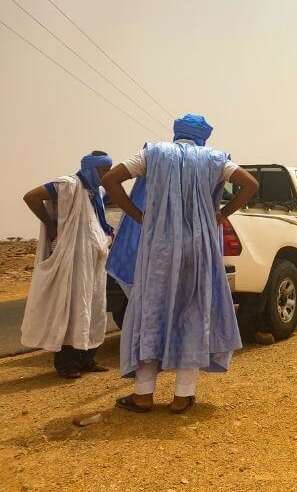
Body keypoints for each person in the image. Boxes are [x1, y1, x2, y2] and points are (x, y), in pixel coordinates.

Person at [102, 114, 257, 414]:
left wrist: (137, 215)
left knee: (151, 311)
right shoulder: (214, 159)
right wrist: (222, 214)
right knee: (193, 311)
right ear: (203, 136)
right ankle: (182, 396)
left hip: (158, 247)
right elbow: (250, 184)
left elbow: (109, 180)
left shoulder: (153, 153)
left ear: (176, 133)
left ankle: (143, 395)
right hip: (198, 248)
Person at [20, 151, 114, 378]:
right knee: (71, 309)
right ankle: (66, 364)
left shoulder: (97, 193)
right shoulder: (68, 185)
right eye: (104, 171)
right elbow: (31, 196)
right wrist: (51, 226)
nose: (106, 175)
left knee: (93, 308)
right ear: (91, 169)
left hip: (94, 262)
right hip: (72, 260)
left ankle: (87, 360)